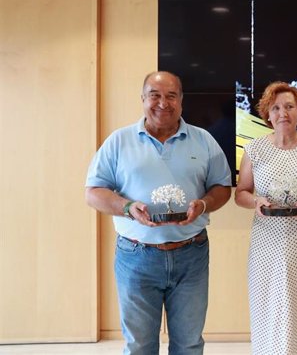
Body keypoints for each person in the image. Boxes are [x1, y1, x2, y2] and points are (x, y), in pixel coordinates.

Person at [85, 71, 233, 355]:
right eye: (154, 95)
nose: (163, 103)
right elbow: (93, 192)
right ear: (142, 99)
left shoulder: (203, 140)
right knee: (139, 345)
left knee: (189, 344)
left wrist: (203, 204)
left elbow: (221, 187)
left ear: (181, 101)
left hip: (192, 255)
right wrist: (127, 208)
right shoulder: (119, 142)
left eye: (171, 96)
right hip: (136, 257)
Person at [235, 81, 297, 355]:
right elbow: (241, 193)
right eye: (276, 108)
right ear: (267, 114)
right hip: (265, 242)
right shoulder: (255, 149)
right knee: (265, 305)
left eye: (289, 106)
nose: (282, 113)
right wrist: (256, 201)